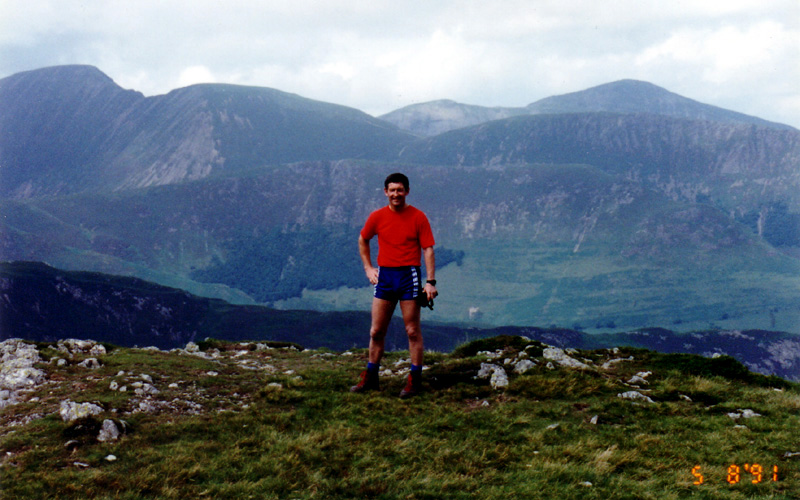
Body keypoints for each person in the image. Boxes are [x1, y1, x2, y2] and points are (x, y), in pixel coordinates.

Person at [350, 172, 438, 398]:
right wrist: (368, 268)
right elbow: (363, 239)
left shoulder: (418, 217)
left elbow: (427, 249)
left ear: (407, 191)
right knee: (376, 330)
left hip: (409, 275)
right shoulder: (377, 217)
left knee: (412, 330)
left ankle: (415, 380)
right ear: (385, 192)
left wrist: (430, 282)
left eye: (400, 190)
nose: (396, 194)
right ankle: (371, 378)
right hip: (386, 276)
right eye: (392, 190)